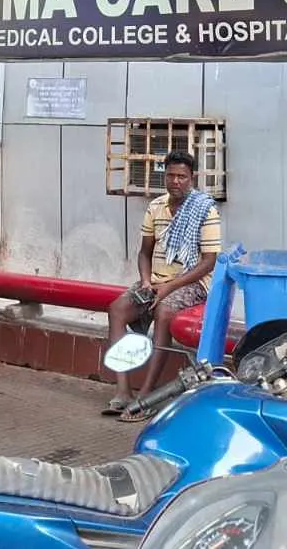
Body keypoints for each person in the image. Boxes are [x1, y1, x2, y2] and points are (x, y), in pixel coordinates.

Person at [103, 149, 221, 422]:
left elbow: (208, 262)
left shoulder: (206, 209)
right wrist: (146, 281)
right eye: (170, 175)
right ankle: (123, 391)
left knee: (165, 312)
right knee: (117, 309)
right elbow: (144, 252)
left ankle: (147, 396)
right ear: (164, 176)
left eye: (182, 176)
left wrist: (169, 287)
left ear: (192, 178)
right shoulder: (156, 207)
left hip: (192, 282)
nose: (175, 181)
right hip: (155, 280)